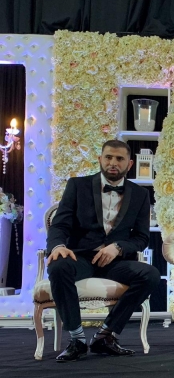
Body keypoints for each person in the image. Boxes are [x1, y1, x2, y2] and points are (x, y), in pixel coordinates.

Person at [47, 139, 161, 362]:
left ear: (129, 164)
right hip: (80, 256)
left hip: (115, 262)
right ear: (100, 159)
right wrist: (58, 246)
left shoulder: (140, 194)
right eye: (108, 157)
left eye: (119, 159)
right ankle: (77, 339)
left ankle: (106, 335)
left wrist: (118, 247)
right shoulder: (77, 185)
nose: (113, 163)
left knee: (151, 275)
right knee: (58, 266)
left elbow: (141, 238)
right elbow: (60, 225)